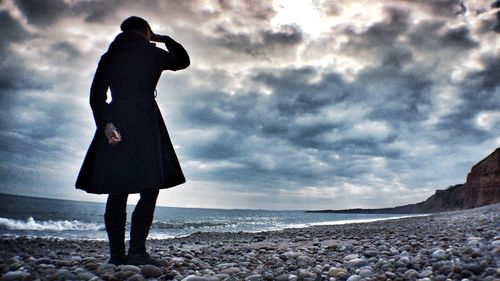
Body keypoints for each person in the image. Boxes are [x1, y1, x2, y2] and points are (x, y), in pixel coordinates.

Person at [75, 16, 190, 266]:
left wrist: (107, 128)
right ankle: (137, 251)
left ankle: (116, 256)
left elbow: (96, 97)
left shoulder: (110, 56)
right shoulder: (152, 52)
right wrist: (163, 38)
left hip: (116, 119)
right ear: (145, 30)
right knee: (150, 187)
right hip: (146, 120)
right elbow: (183, 61)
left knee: (118, 188)